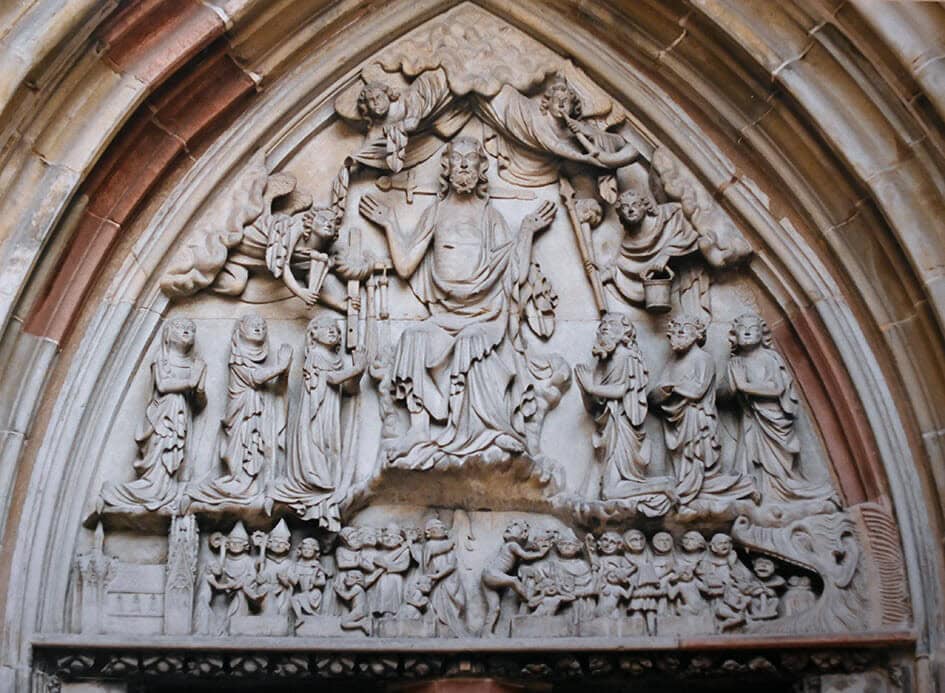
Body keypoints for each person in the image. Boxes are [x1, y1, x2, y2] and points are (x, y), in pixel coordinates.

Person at [359, 136, 556, 469]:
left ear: (481, 168)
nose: (464, 165)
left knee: (471, 342)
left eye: (471, 159)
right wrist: (390, 224)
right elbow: (405, 266)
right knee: (413, 338)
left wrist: (527, 231)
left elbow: (516, 272)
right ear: (447, 168)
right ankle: (419, 429)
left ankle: (488, 430)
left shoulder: (490, 216)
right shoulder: (435, 213)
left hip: (484, 316)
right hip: (444, 314)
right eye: (457, 159)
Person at [724, 312, 836, 506]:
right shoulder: (736, 362)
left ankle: (781, 494)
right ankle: (757, 493)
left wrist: (744, 386)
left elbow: (776, 389)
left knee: (777, 466)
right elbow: (727, 392)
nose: (747, 333)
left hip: (773, 419)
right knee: (749, 457)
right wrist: (730, 388)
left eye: (753, 329)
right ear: (734, 335)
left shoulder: (769, 358)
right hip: (751, 419)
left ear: (763, 335)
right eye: (742, 329)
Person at [184, 314, 290, 509]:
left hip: (257, 414)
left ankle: (254, 486)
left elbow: (272, 386)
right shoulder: (237, 358)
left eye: (262, 325)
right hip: (241, 415)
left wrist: (284, 370)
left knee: (258, 447)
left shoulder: (258, 362)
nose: (259, 328)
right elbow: (256, 378)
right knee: (242, 448)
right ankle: (240, 485)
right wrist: (281, 366)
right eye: (253, 325)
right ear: (241, 330)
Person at [100, 318, 206, 512]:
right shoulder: (162, 358)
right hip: (161, 416)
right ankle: (153, 491)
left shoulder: (196, 364)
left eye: (191, 329)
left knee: (178, 454)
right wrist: (191, 381)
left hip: (182, 417)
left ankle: (169, 492)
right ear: (168, 334)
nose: (186, 331)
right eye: (180, 328)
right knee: (160, 452)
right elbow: (163, 385)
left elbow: (199, 403)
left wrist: (199, 389)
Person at [270, 317, 366, 528]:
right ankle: (315, 490)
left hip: (329, 414)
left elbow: (350, 389)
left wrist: (357, 374)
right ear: (313, 333)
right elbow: (333, 379)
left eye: (336, 330)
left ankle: (324, 499)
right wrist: (357, 368)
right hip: (314, 414)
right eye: (327, 328)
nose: (333, 332)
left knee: (329, 450)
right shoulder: (315, 356)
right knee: (315, 449)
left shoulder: (335, 361)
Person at [650, 315, 755, 508]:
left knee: (696, 461)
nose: (680, 331)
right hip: (676, 422)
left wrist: (674, 387)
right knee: (682, 467)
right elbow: (654, 396)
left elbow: (698, 391)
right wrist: (663, 391)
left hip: (697, 420)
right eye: (676, 327)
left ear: (697, 334)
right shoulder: (672, 362)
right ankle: (687, 490)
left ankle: (695, 493)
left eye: (686, 327)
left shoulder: (703, 359)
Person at [575, 312, 671, 515]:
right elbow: (596, 405)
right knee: (603, 489)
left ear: (624, 332)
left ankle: (663, 485)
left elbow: (622, 390)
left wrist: (591, 387)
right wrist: (585, 390)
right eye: (602, 324)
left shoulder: (628, 357)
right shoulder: (605, 361)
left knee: (610, 491)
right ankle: (660, 485)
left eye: (611, 324)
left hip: (622, 427)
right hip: (609, 428)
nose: (604, 327)